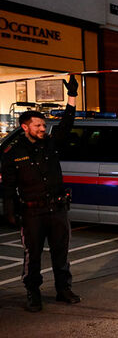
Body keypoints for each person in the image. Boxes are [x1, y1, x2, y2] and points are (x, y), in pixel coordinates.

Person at [2, 75, 81, 312]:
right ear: (25, 127)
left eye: (44, 126)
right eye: (38, 126)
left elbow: (66, 124)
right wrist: (9, 211)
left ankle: (63, 289)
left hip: (57, 209)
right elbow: (8, 186)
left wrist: (72, 97)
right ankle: (33, 293)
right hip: (32, 213)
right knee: (33, 255)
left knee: (61, 253)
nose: (42, 129)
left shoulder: (50, 144)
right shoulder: (13, 153)